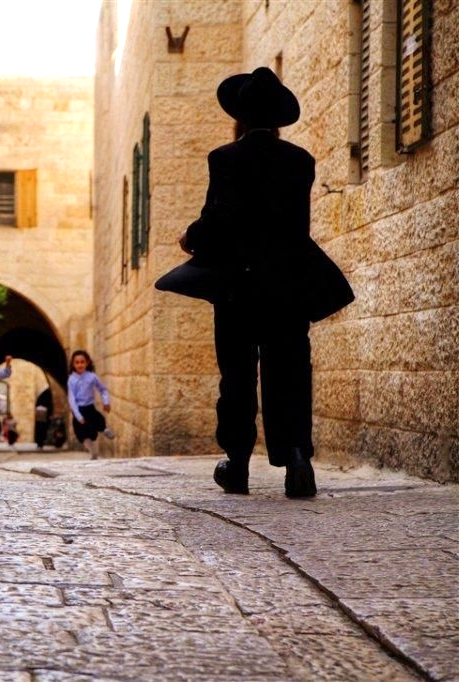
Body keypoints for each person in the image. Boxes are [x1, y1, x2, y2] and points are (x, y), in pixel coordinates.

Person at [178, 67, 345, 498]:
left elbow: (218, 218)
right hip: (290, 285)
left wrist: (190, 238)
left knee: (236, 373)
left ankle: (237, 465)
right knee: (288, 370)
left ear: (240, 117)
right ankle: (297, 460)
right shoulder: (300, 161)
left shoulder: (224, 158)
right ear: (277, 120)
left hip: (237, 285)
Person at [67, 350, 114, 459]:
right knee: (82, 433)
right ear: (73, 364)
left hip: (89, 407)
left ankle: (105, 430)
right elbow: (72, 399)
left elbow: (102, 389)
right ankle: (93, 452)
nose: (80, 365)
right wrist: (78, 415)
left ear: (87, 363)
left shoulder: (92, 377)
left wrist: (106, 401)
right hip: (78, 409)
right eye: (77, 362)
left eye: (82, 362)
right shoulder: (72, 380)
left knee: (98, 420)